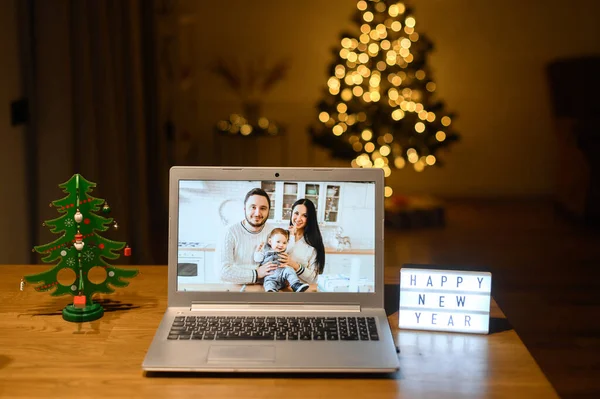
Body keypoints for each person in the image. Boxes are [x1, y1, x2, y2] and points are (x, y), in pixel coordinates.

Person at [217, 188, 279, 284]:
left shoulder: (274, 232)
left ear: (268, 211)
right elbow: (222, 272)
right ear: (245, 208)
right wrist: (256, 274)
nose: (257, 213)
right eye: (253, 207)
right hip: (237, 291)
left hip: (265, 289)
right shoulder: (230, 232)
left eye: (263, 208)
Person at [277, 198, 326, 284]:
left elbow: (314, 278)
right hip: (277, 289)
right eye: (296, 213)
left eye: (305, 215)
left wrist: (293, 264)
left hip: (300, 292)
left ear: (310, 219)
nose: (298, 218)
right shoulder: (280, 236)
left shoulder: (313, 244)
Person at [254, 228, 310, 292]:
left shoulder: (284, 251)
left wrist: (291, 234)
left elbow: (291, 245)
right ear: (270, 241)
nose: (281, 245)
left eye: (284, 243)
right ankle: (271, 290)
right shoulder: (265, 251)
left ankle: (295, 285)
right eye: (278, 242)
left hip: (283, 273)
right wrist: (258, 251)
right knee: (268, 282)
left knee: (289, 270)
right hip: (270, 274)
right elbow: (258, 259)